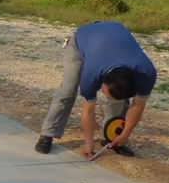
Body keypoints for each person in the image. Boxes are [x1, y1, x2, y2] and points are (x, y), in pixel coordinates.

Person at [35, 21, 157, 158]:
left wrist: (126, 133)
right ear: (102, 80)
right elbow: (88, 110)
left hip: (110, 38)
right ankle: (47, 134)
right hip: (82, 41)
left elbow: (138, 105)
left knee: (119, 100)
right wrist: (89, 143)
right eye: (105, 93)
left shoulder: (146, 73)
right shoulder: (91, 74)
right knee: (68, 90)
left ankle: (112, 137)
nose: (104, 96)